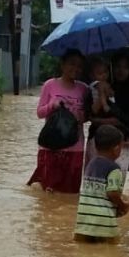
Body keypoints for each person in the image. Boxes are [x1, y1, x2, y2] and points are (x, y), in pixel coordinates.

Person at [28, 49, 89, 193]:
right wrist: (52, 105)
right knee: (48, 190)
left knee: (71, 192)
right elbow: (39, 113)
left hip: (76, 146)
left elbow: (89, 115)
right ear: (62, 65)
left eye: (79, 66)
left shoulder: (84, 89)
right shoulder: (50, 85)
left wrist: (81, 116)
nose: (76, 68)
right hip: (51, 146)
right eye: (72, 64)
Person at [75, 125, 129, 242]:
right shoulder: (115, 169)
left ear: (95, 146)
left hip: (83, 222)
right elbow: (112, 193)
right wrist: (122, 205)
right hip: (104, 225)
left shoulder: (90, 165)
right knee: (110, 253)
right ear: (116, 149)